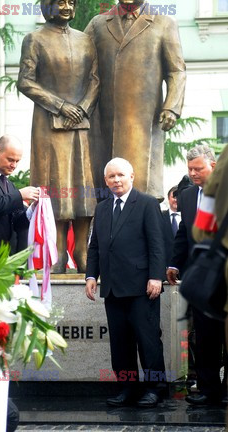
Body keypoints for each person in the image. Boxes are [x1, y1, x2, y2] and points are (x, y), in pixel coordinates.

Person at [17, 0, 99, 273]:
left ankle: (83, 252)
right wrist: (61, 105)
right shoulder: (35, 39)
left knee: (82, 190)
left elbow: (95, 80)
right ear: (47, 5)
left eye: (70, 2)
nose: (66, 7)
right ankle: (57, 256)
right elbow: (25, 81)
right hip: (48, 126)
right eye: (60, 2)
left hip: (80, 125)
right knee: (56, 186)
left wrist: (83, 108)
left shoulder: (85, 39)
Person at [85, 0, 186, 200]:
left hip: (144, 119)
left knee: (142, 190)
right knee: (105, 191)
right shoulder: (98, 24)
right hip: (104, 119)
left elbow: (176, 70)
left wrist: (171, 106)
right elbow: (82, 66)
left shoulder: (163, 23)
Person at [85, 157, 166, 408]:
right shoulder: (102, 208)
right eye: (111, 177)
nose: (116, 180)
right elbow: (95, 247)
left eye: (121, 175)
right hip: (112, 288)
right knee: (120, 344)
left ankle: (155, 388)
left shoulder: (147, 204)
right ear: (105, 181)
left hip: (142, 287)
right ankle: (127, 388)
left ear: (132, 176)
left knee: (148, 340)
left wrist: (156, 276)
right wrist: (91, 276)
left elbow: (156, 244)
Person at [166, 145, 227, 405]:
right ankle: (208, 388)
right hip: (202, 279)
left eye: (198, 168)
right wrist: (174, 264)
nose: (193, 173)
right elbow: (184, 234)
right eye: (190, 169)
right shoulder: (188, 196)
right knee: (205, 335)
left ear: (212, 166)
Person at [162, 186, 180, 267]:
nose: (176, 200)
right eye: (174, 197)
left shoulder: (189, 217)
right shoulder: (159, 217)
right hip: (165, 265)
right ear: (168, 198)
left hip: (184, 265)